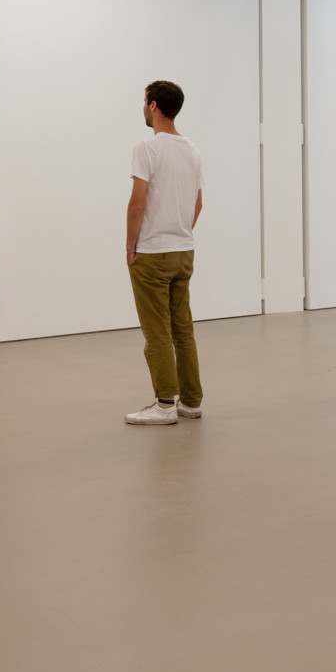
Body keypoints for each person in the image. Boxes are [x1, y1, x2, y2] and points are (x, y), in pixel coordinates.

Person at [124, 80, 205, 426]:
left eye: (145, 101)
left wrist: (131, 245)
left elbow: (137, 203)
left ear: (154, 105)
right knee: (182, 329)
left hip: (152, 254)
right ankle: (191, 402)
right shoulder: (192, 149)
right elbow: (197, 203)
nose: (143, 107)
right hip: (183, 251)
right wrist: (181, 232)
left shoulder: (147, 148)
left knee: (157, 332)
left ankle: (165, 404)